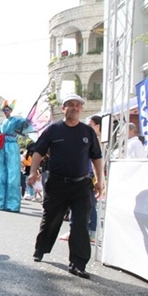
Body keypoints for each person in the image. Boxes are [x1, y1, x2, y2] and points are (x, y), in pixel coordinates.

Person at [28, 94, 103, 279]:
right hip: (57, 184)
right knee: (51, 218)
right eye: (71, 105)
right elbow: (38, 152)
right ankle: (41, 248)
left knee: (80, 224)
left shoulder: (88, 132)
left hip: (82, 184)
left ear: (81, 109)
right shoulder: (53, 130)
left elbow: (96, 157)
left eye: (78, 105)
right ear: (64, 108)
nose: (75, 108)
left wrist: (100, 180)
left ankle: (78, 264)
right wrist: (33, 171)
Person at [0, 100, 28, 212]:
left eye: (7, 110)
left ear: (11, 110)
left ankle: (12, 204)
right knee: (0, 173)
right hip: (2, 147)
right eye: (4, 110)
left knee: (13, 174)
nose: (5, 112)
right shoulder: (4, 121)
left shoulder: (15, 119)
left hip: (12, 147)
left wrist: (22, 124)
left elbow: (25, 124)